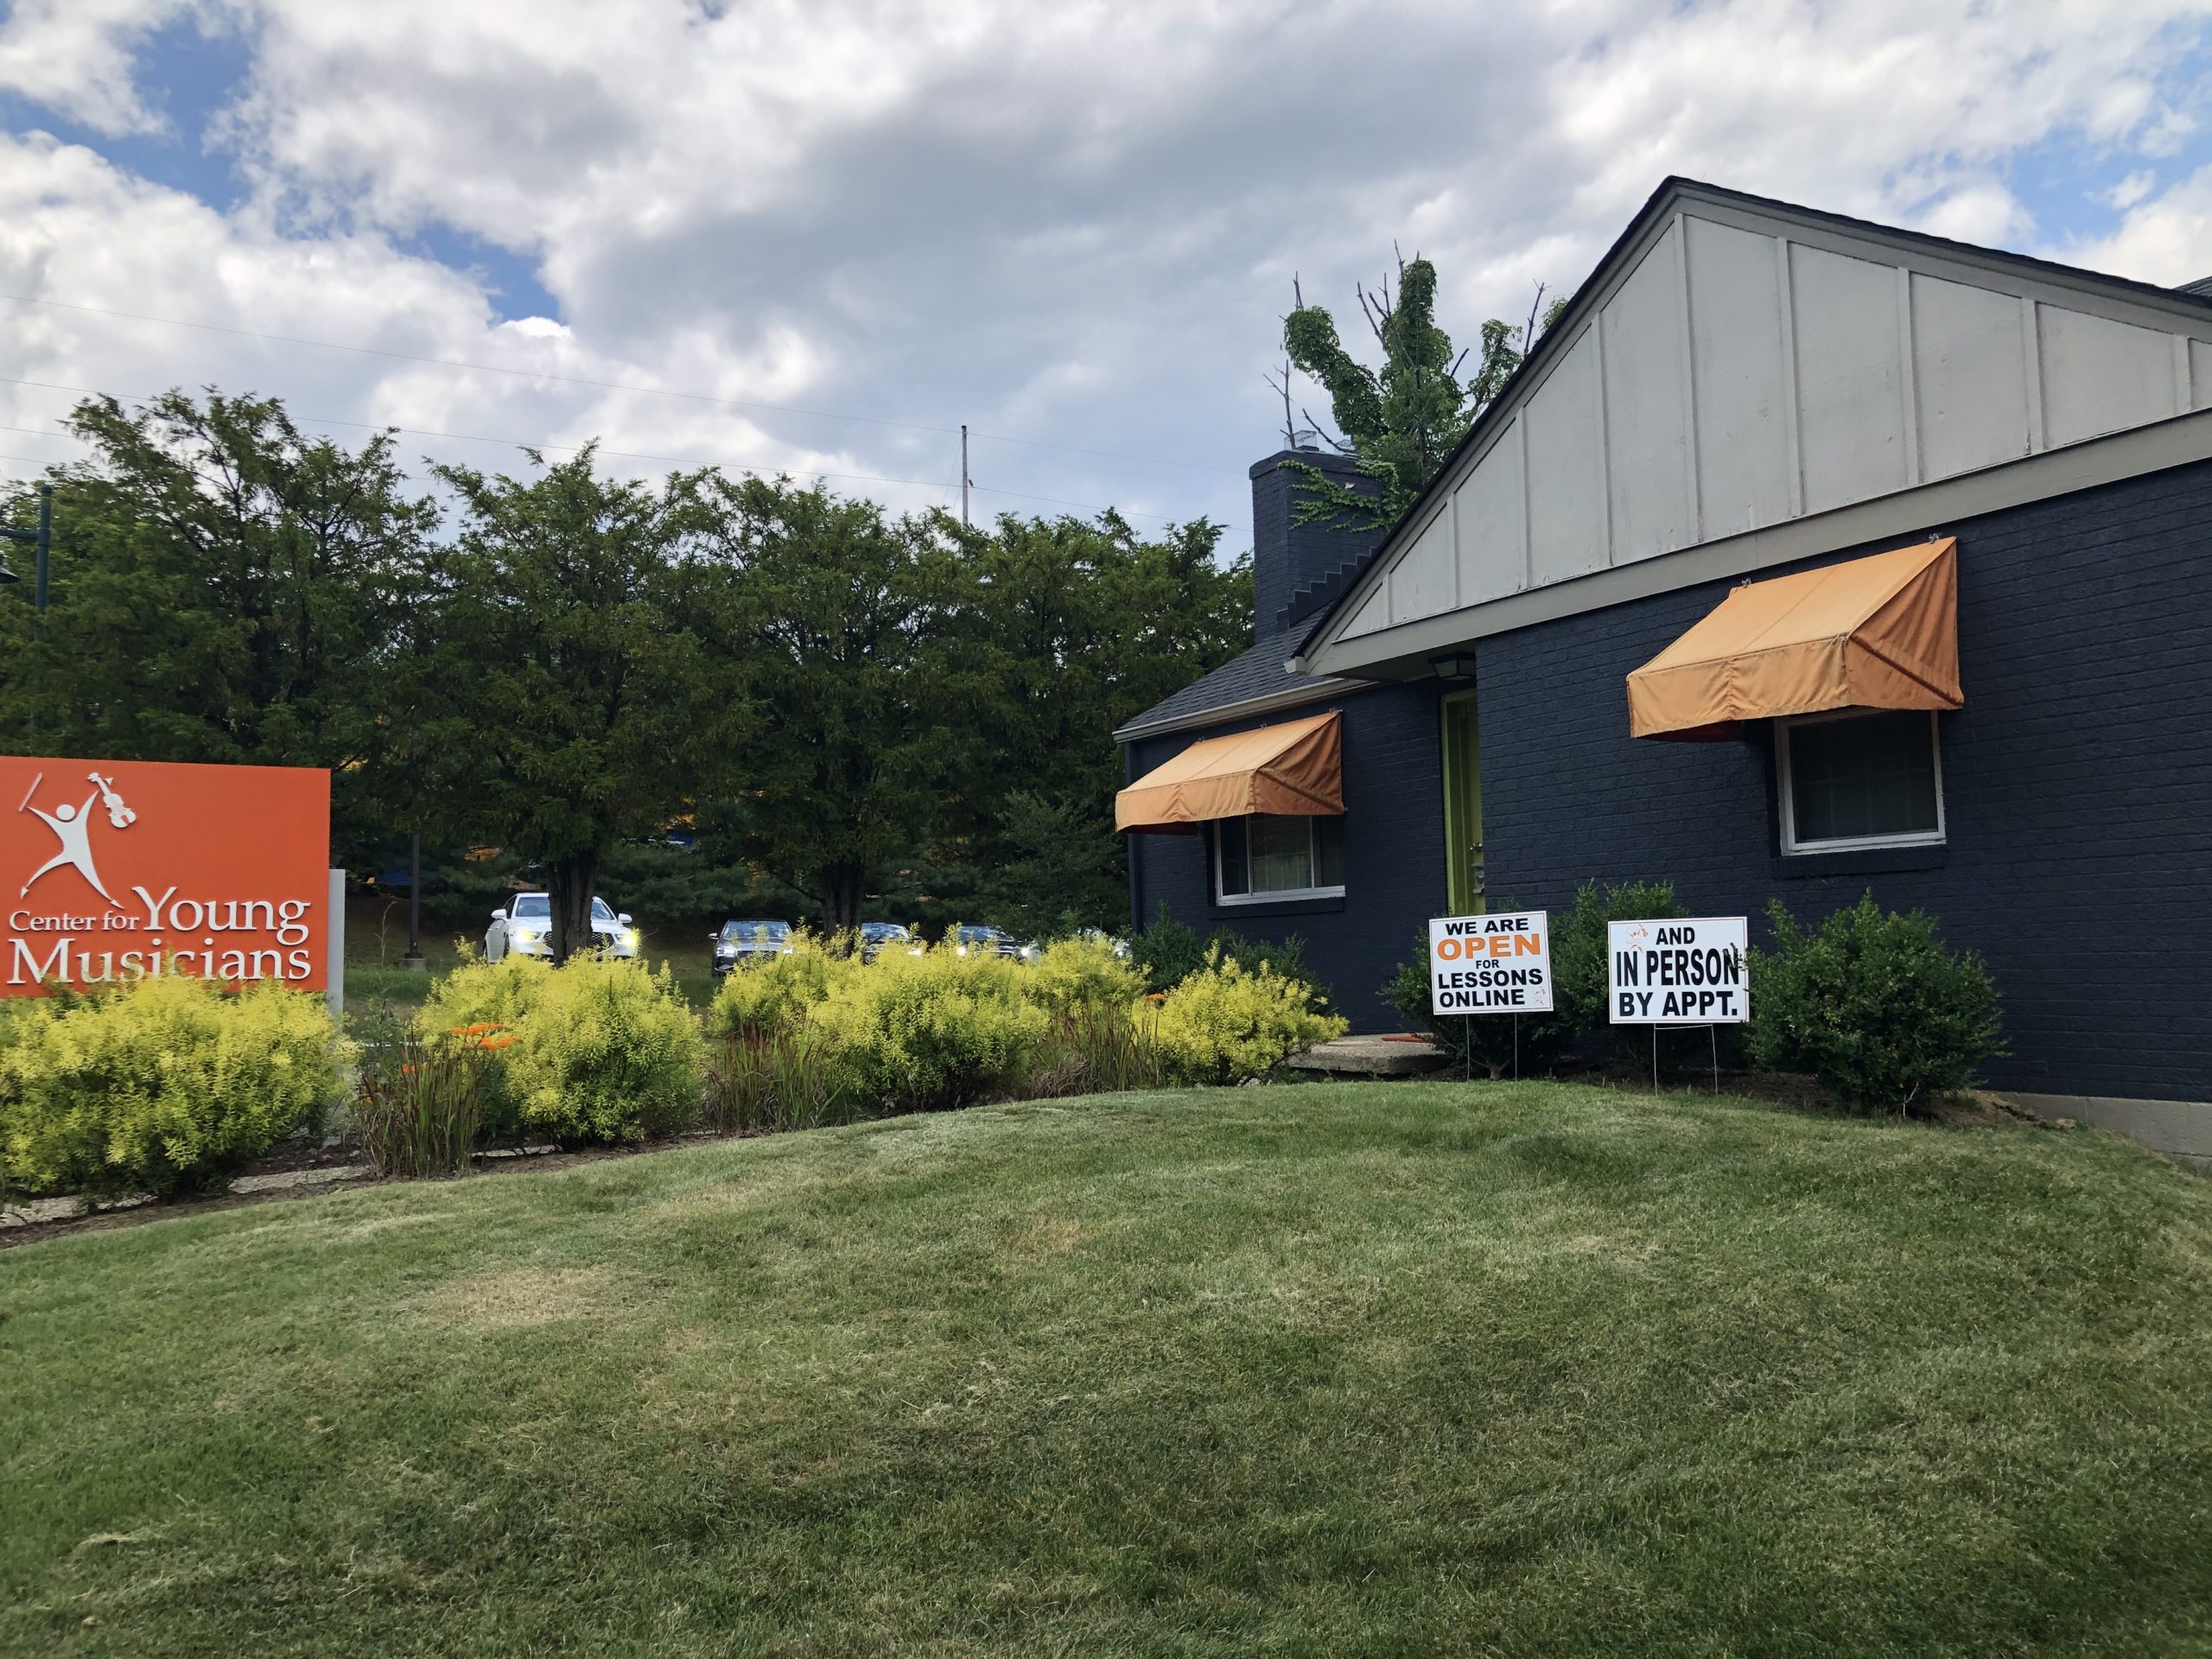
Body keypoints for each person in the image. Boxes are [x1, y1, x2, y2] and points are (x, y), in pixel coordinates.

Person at [21, 787, 117, 904]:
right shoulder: (74, 822)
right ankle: (28, 885)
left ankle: (28, 886)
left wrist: (32, 809)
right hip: (74, 853)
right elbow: (86, 807)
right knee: (91, 877)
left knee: (92, 878)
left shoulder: (76, 821)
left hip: (76, 853)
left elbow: (86, 807)